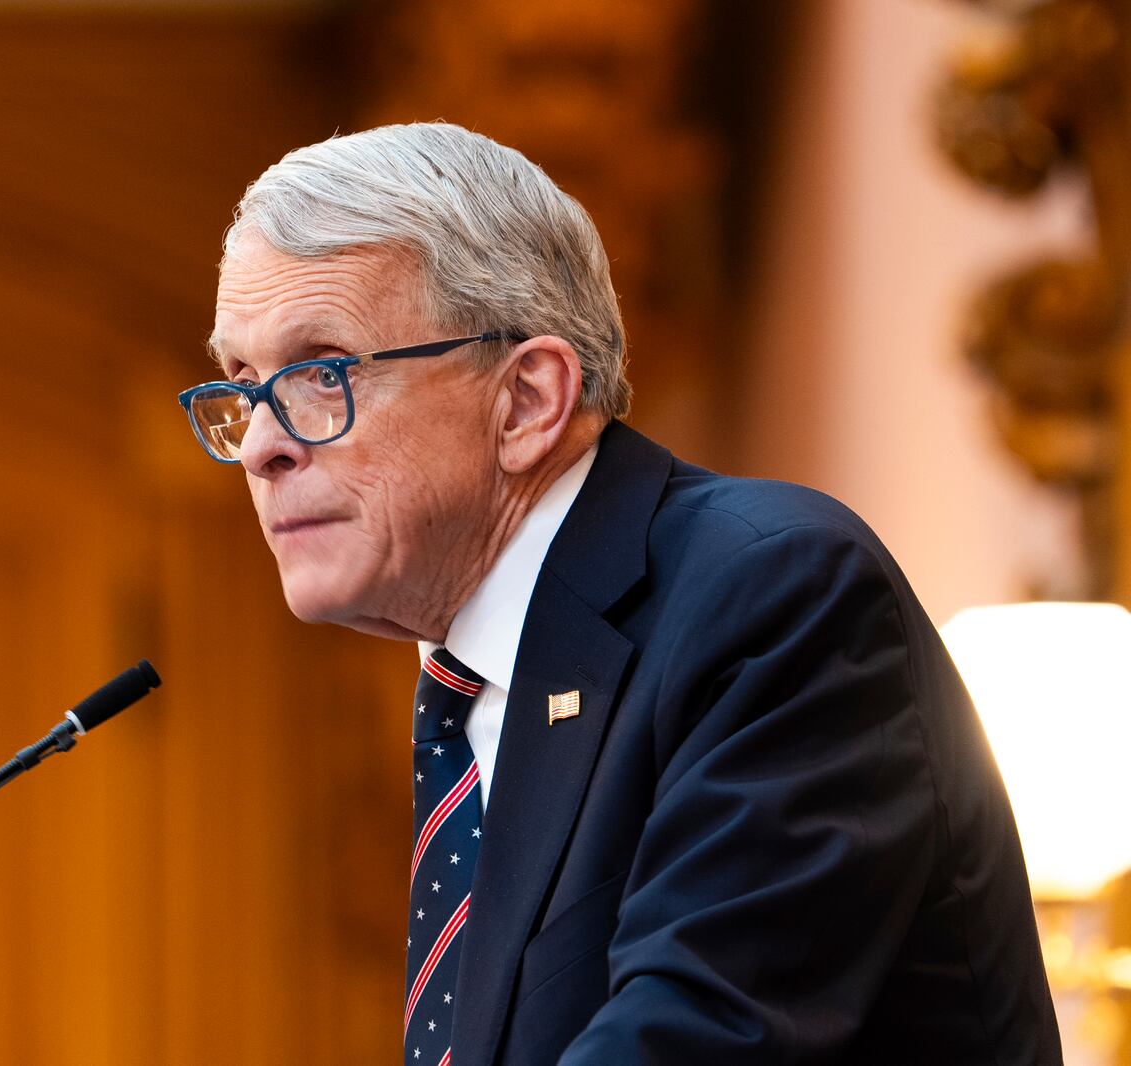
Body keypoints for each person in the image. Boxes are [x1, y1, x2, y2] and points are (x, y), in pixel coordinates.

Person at [178, 123, 1061, 1065]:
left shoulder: (775, 595)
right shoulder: (479, 678)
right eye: (241, 382)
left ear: (526, 401)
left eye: (319, 373)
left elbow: (694, 1039)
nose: (263, 445)